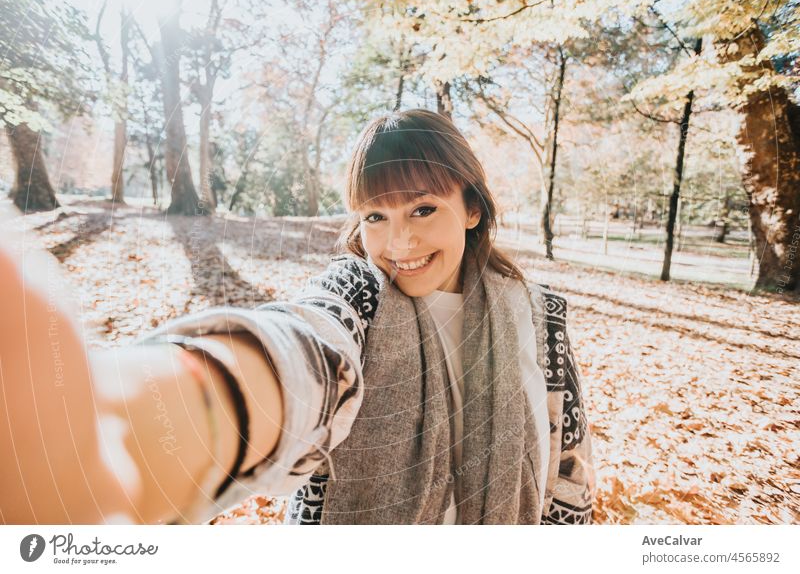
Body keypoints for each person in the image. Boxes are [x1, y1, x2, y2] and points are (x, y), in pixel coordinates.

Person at [0, 109, 595, 525]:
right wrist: (143, 434)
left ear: (471, 208)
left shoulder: (536, 317)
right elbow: (306, 346)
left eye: (422, 209)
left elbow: (569, 465)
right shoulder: (359, 292)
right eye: (375, 217)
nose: (399, 243)